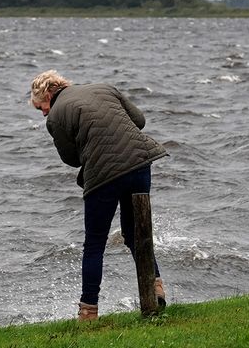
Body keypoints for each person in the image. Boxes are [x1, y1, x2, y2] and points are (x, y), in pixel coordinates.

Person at [29, 70, 169, 321]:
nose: (44, 113)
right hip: (140, 162)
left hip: (104, 176)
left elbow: (70, 159)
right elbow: (138, 121)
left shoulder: (56, 117)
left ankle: (88, 311)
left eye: (41, 107)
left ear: (49, 93)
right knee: (136, 233)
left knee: (95, 244)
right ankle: (154, 287)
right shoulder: (106, 88)